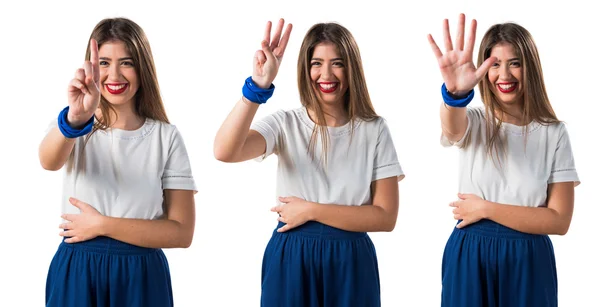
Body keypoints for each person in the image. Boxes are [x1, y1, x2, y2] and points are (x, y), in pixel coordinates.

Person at [214, 19, 404, 307]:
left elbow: (385, 217)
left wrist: (311, 210)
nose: (325, 74)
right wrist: (257, 88)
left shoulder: (374, 129)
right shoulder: (285, 123)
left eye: (337, 63)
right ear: (305, 68)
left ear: (352, 67)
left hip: (350, 258)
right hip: (292, 254)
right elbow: (224, 151)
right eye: (316, 63)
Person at [39, 17, 197, 307]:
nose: (114, 75)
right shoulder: (74, 124)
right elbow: (48, 161)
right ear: (90, 68)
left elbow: (182, 232)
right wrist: (76, 119)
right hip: (78, 268)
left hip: (141, 273)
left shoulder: (166, 137)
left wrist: (101, 225)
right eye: (103, 63)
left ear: (142, 68)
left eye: (126, 62)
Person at [427, 13, 580, 307]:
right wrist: (456, 95)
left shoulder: (553, 133)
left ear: (530, 68)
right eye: (494, 64)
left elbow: (559, 220)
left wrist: (485, 208)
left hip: (529, 257)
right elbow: (452, 127)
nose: (504, 75)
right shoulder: (474, 121)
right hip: (471, 251)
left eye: (515, 63)